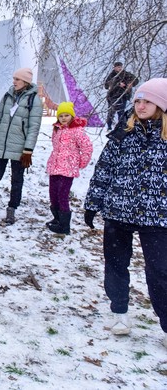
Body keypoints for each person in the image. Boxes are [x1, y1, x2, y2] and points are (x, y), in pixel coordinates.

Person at [84, 78, 167, 348]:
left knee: (160, 271)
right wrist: (93, 202)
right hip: (118, 210)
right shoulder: (124, 131)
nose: (140, 106)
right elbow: (104, 167)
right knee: (116, 264)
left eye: (147, 101)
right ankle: (119, 313)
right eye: (138, 101)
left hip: (157, 215)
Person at [0, 67, 43, 224]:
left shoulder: (33, 100)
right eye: (14, 78)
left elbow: (33, 128)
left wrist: (28, 150)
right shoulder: (8, 96)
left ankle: (11, 210)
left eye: (17, 79)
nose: (14, 82)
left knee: (17, 180)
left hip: (20, 147)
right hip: (1, 142)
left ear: (25, 82)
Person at [44, 102, 93, 234]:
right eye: (61, 116)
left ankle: (64, 225)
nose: (64, 118)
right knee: (53, 193)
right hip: (55, 166)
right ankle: (57, 218)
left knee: (62, 195)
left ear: (72, 116)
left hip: (68, 168)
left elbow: (87, 147)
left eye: (67, 115)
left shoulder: (77, 131)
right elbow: (55, 146)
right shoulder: (57, 129)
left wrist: (81, 162)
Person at [104, 61, 138, 131]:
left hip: (123, 96)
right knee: (111, 112)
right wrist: (117, 84)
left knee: (121, 113)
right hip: (112, 96)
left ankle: (120, 127)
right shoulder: (112, 75)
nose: (119, 68)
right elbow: (106, 85)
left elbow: (136, 80)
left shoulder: (126, 74)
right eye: (118, 67)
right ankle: (109, 127)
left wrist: (128, 84)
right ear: (115, 68)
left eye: (120, 67)